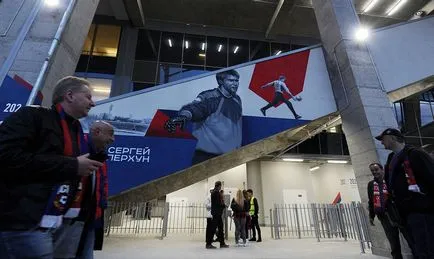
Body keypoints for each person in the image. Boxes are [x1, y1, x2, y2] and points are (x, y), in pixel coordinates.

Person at [0, 76, 103, 259]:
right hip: (24, 224)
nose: (92, 103)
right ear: (69, 95)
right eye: (88, 97)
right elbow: (6, 157)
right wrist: (73, 165)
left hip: (55, 223)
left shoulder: (76, 130)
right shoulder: (32, 117)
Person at [53, 121, 114, 259]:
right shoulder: (77, 151)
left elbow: (100, 186)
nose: (112, 139)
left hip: (91, 217)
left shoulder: (100, 156)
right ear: (97, 132)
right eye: (110, 134)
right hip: (72, 216)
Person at [376, 128, 434, 258]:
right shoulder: (392, 158)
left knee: (426, 249)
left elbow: (431, 178)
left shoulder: (415, 154)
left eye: (383, 139)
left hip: (421, 211)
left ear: (393, 138)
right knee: (416, 248)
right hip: (404, 213)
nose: (381, 143)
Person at [164, 70, 242, 164]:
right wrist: (183, 116)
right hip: (207, 157)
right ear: (221, 81)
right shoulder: (210, 96)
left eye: (236, 81)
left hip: (231, 156)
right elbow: (195, 108)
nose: (235, 84)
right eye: (231, 80)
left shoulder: (237, 99)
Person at [367, 163, 407, 259]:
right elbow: (371, 201)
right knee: (394, 244)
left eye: (376, 169)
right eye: (372, 170)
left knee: (409, 238)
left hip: (397, 214)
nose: (374, 172)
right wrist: (371, 216)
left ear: (382, 169)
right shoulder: (371, 184)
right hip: (384, 217)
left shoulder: (389, 180)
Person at [206, 181, 229, 249]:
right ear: (219, 186)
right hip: (217, 213)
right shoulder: (216, 193)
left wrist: (223, 205)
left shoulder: (214, 192)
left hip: (217, 213)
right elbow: (218, 203)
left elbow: (217, 203)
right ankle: (208, 244)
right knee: (213, 229)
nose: (220, 187)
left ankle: (222, 243)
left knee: (221, 228)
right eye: (220, 186)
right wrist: (224, 205)